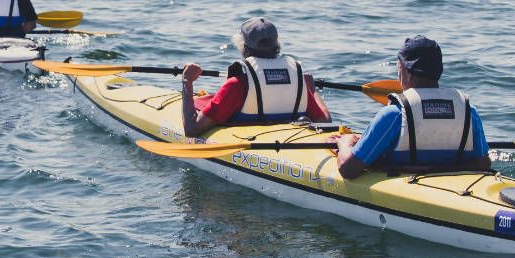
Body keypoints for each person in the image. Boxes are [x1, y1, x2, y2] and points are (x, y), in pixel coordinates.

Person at [333, 35, 490, 177]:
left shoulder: (394, 115)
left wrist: (345, 143)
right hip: (457, 188)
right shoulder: (469, 111)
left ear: (406, 71)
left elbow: (349, 169)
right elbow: (483, 163)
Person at [181, 17, 332, 137]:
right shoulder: (298, 79)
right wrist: (311, 89)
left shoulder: (237, 83)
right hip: (290, 138)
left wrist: (187, 82)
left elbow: (192, 129)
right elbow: (325, 122)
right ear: (278, 45)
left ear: (244, 47)